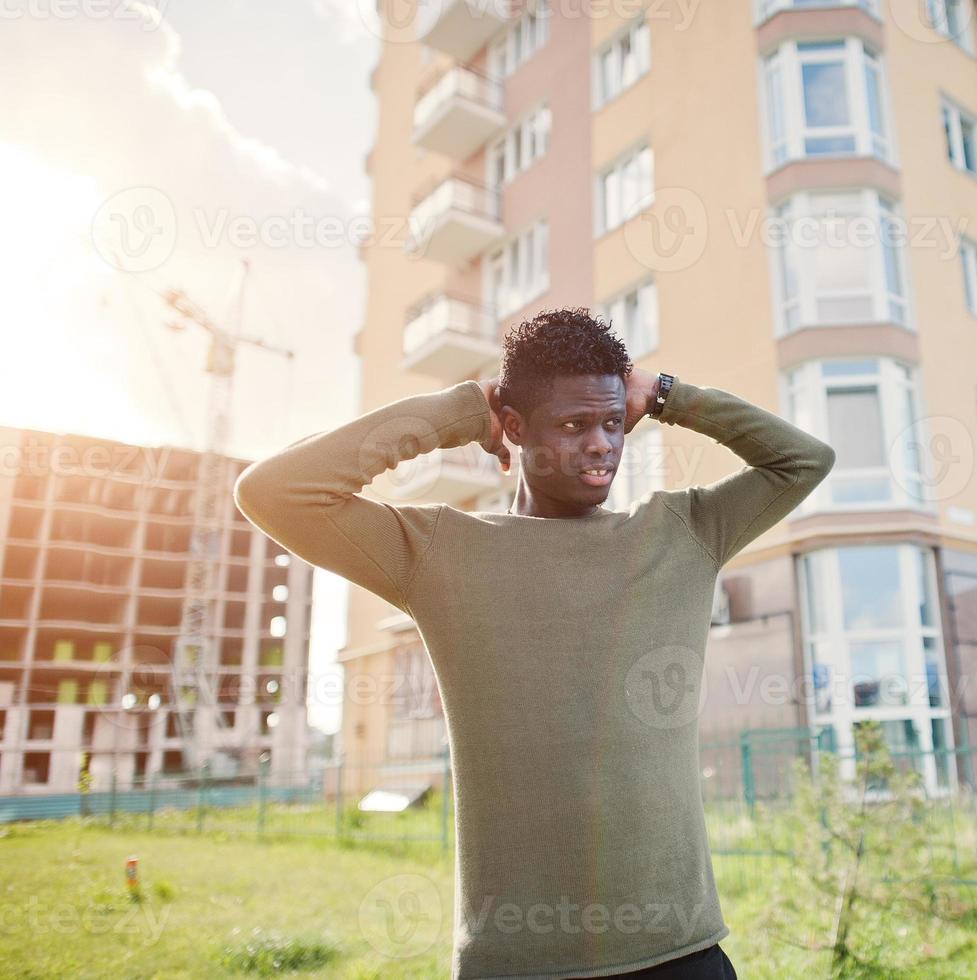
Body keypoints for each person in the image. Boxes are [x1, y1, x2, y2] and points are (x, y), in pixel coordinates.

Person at [233, 307, 836, 979]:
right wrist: (464, 409)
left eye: (612, 423)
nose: (603, 444)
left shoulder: (682, 533)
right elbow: (274, 492)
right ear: (515, 429)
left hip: (681, 954)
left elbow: (804, 461)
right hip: (518, 964)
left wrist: (667, 396)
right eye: (574, 425)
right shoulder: (441, 552)